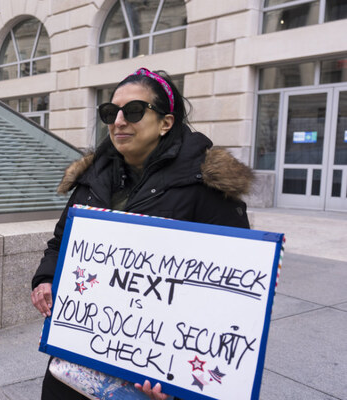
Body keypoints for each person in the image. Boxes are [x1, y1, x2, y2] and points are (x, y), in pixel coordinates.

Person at [31, 68, 253, 400]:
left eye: (134, 111)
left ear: (166, 122)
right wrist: (46, 278)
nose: (119, 121)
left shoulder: (205, 185)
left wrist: (181, 380)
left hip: (154, 368)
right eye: (111, 112)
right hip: (76, 364)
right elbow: (61, 242)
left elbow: (228, 290)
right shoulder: (92, 177)